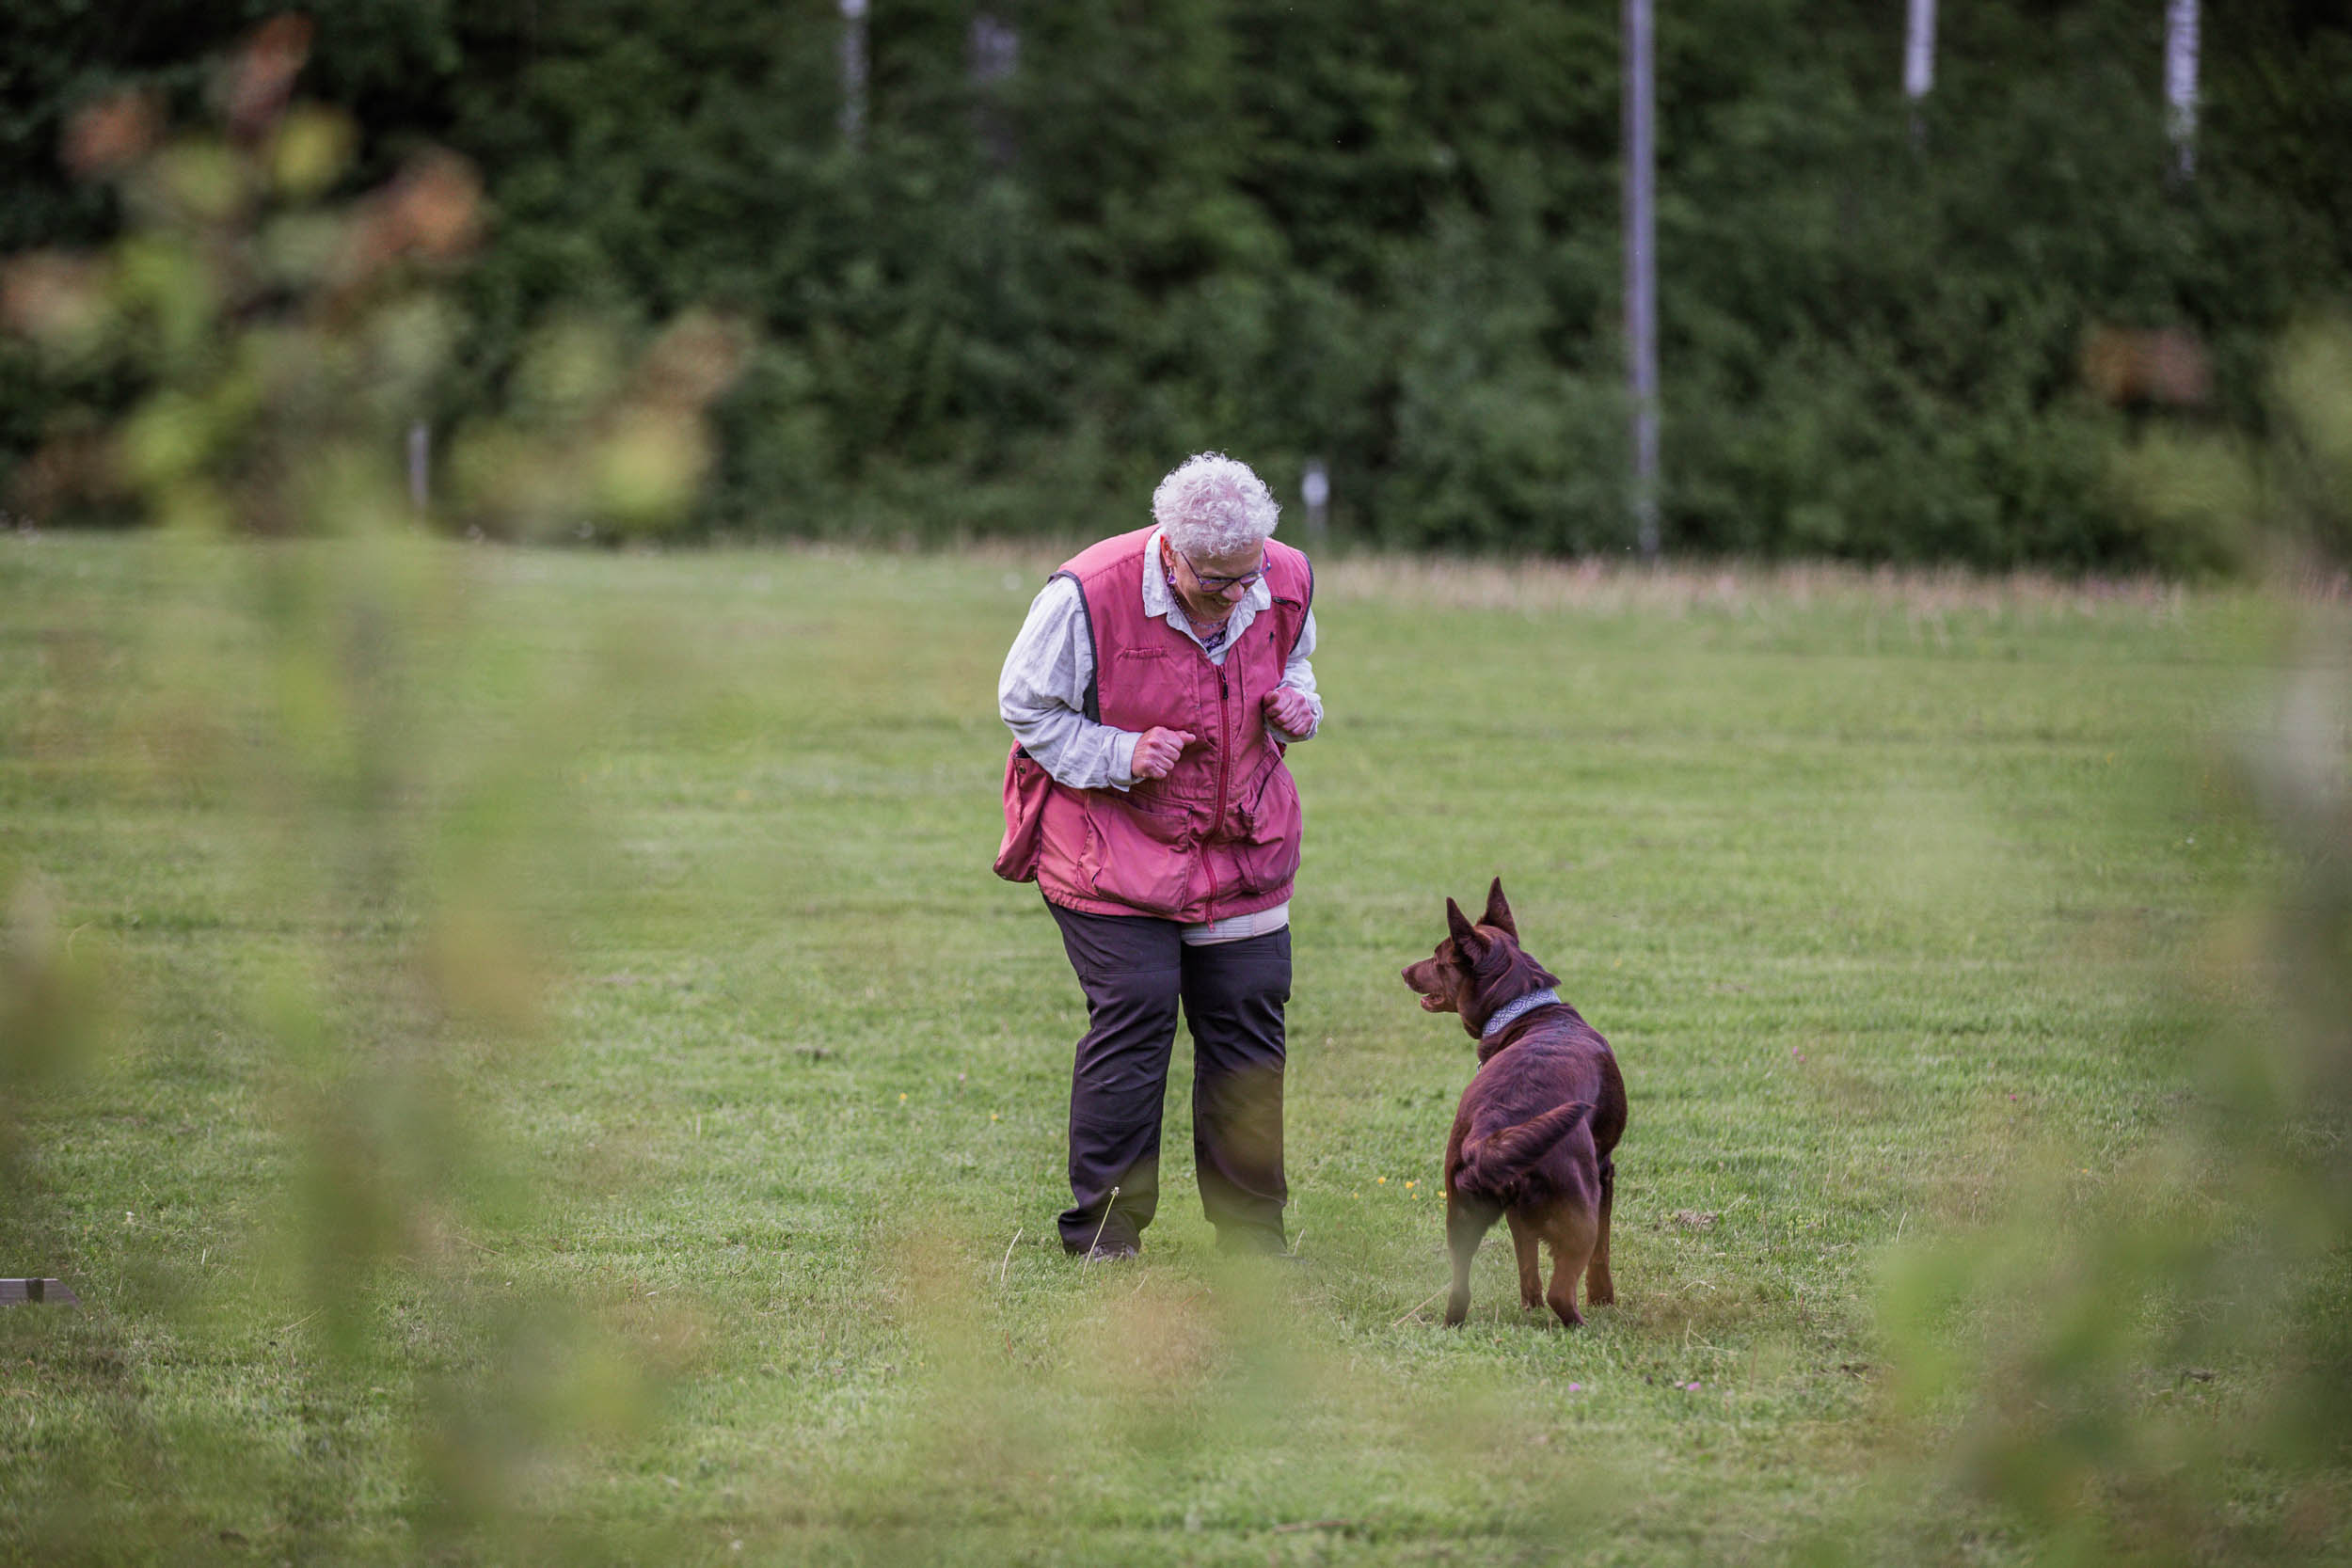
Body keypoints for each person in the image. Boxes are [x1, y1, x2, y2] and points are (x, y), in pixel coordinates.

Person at [994, 452, 1323, 1260]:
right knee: (1137, 1014)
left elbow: (1297, 659)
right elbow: (1025, 704)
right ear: (1170, 551)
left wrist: (1298, 704)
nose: (1239, 594)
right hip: (1112, 849)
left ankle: (1252, 1237)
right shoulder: (1087, 593)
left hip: (1241, 844)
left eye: (1249, 576)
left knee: (1248, 1030)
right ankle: (1105, 1233)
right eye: (1218, 581)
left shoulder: (1279, 577)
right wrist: (1122, 752)